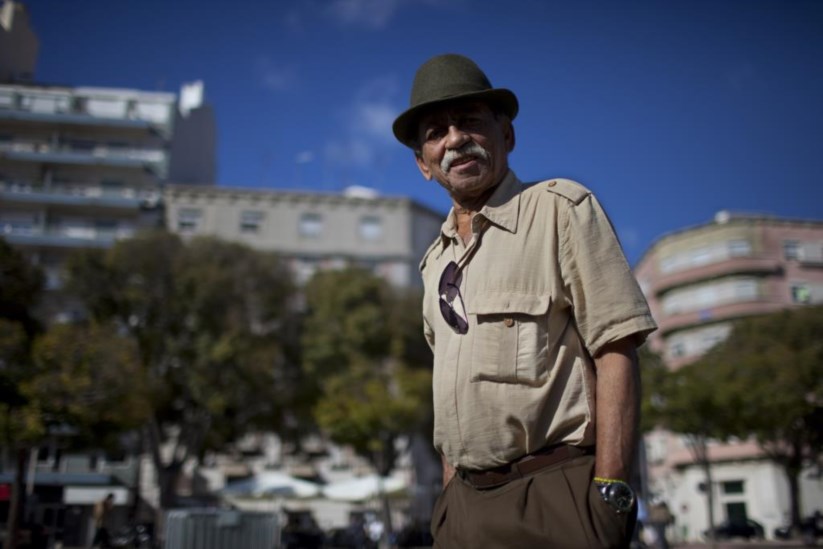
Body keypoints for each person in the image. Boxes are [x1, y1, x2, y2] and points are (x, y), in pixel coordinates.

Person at [392, 53, 657, 548]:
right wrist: (449, 505)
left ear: (506, 135)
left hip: (555, 496)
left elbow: (617, 347)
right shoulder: (432, 264)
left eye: (469, 121)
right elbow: (450, 393)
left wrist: (611, 488)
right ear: (423, 164)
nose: (454, 139)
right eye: (435, 132)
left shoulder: (561, 210)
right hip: (463, 509)